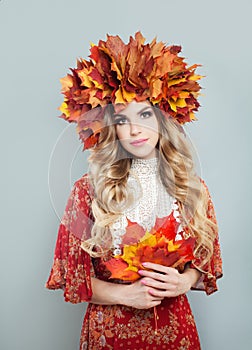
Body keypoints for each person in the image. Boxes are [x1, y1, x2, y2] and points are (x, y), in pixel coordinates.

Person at [46, 32, 222, 350]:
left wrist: (184, 281)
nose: (135, 129)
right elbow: (72, 279)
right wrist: (124, 294)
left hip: (175, 329)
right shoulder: (88, 191)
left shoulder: (192, 189)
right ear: (112, 127)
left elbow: (205, 261)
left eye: (144, 114)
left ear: (162, 118)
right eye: (122, 120)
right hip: (109, 333)